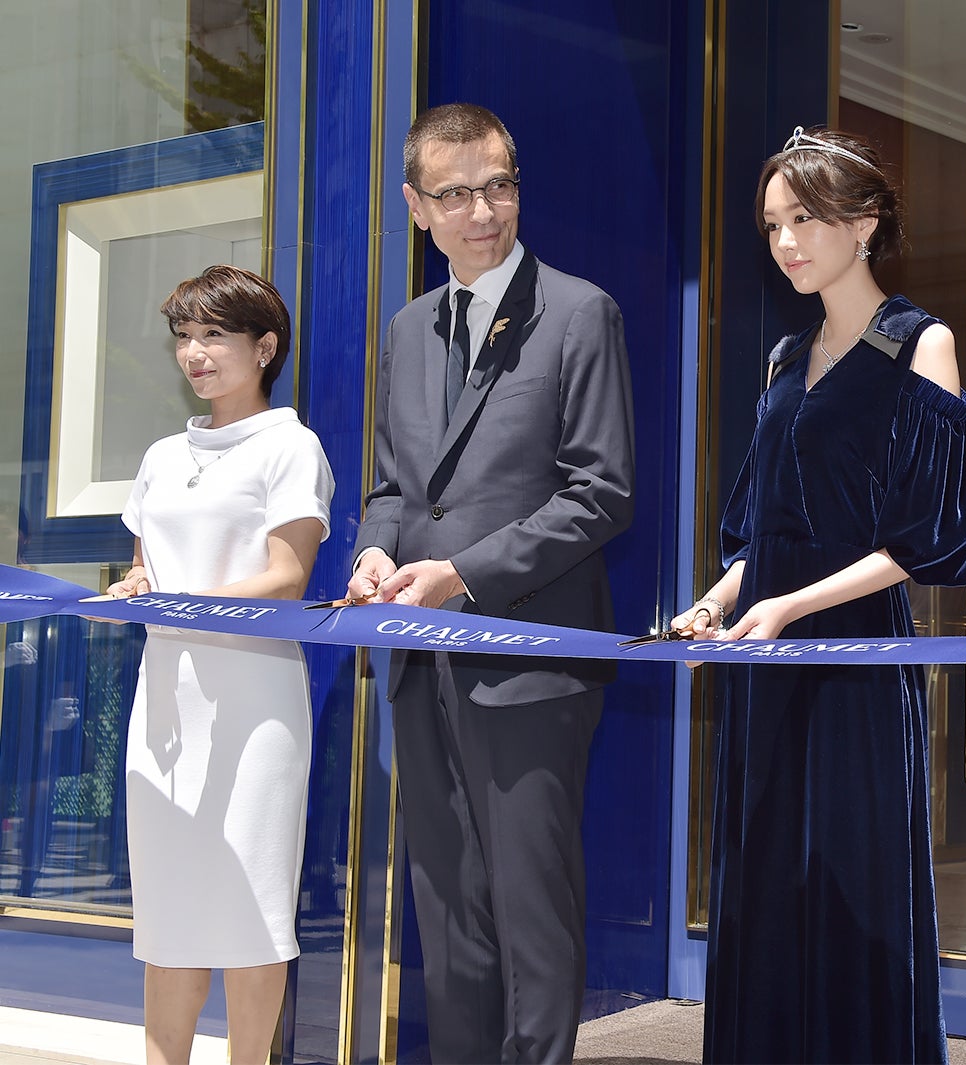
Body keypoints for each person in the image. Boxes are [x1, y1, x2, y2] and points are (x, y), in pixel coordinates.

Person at [675, 126, 966, 1064]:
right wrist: (718, 601)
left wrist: (790, 607)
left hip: (854, 661)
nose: (786, 242)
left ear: (866, 220)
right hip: (765, 662)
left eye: (804, 219)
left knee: (854, 877)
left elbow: (930, 538)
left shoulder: (920, 344)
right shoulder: (783, 357)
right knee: (764, 874)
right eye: (773, 224)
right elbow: (765, 527)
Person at [346, 102, 635, 1064]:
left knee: (530, 908)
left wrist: (463, 575)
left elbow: (602, 495)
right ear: (416, 206)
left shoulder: (580, 312)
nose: (483, 211)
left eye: (499, 186)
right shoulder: (407, 328)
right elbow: (393, 487)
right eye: (457, 194)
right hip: (418, 661)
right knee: (447, 910)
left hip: (529, 662)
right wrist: (374, 554)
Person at [109, 264, 334, 1064]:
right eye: (183, 336)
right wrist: (135, 588)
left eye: (214, 335)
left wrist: (183, 602)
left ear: (265, 347)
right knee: (168, 909)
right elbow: (145, 566)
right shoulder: (162, 454)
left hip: (253, 701)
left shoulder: (291, 445)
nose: (194, 353)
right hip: (166, 701)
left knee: (251, 907)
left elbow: (287, 576)